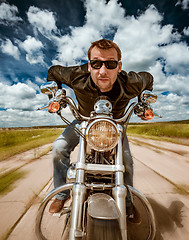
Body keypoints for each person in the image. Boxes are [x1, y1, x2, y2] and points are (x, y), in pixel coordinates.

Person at [46, 39, 153, 223]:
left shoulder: (132, 82)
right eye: (96, 63)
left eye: (110, 64)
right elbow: (53, 71)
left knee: (126, 160)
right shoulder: (76, 75)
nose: (102, 71)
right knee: (58, 148)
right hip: (83, 121)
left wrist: (144, 103)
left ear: (119, 66)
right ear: (89, 66)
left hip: (115, 125)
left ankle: (127, 202)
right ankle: (62, 195)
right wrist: (56, 94)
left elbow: (148, 79)